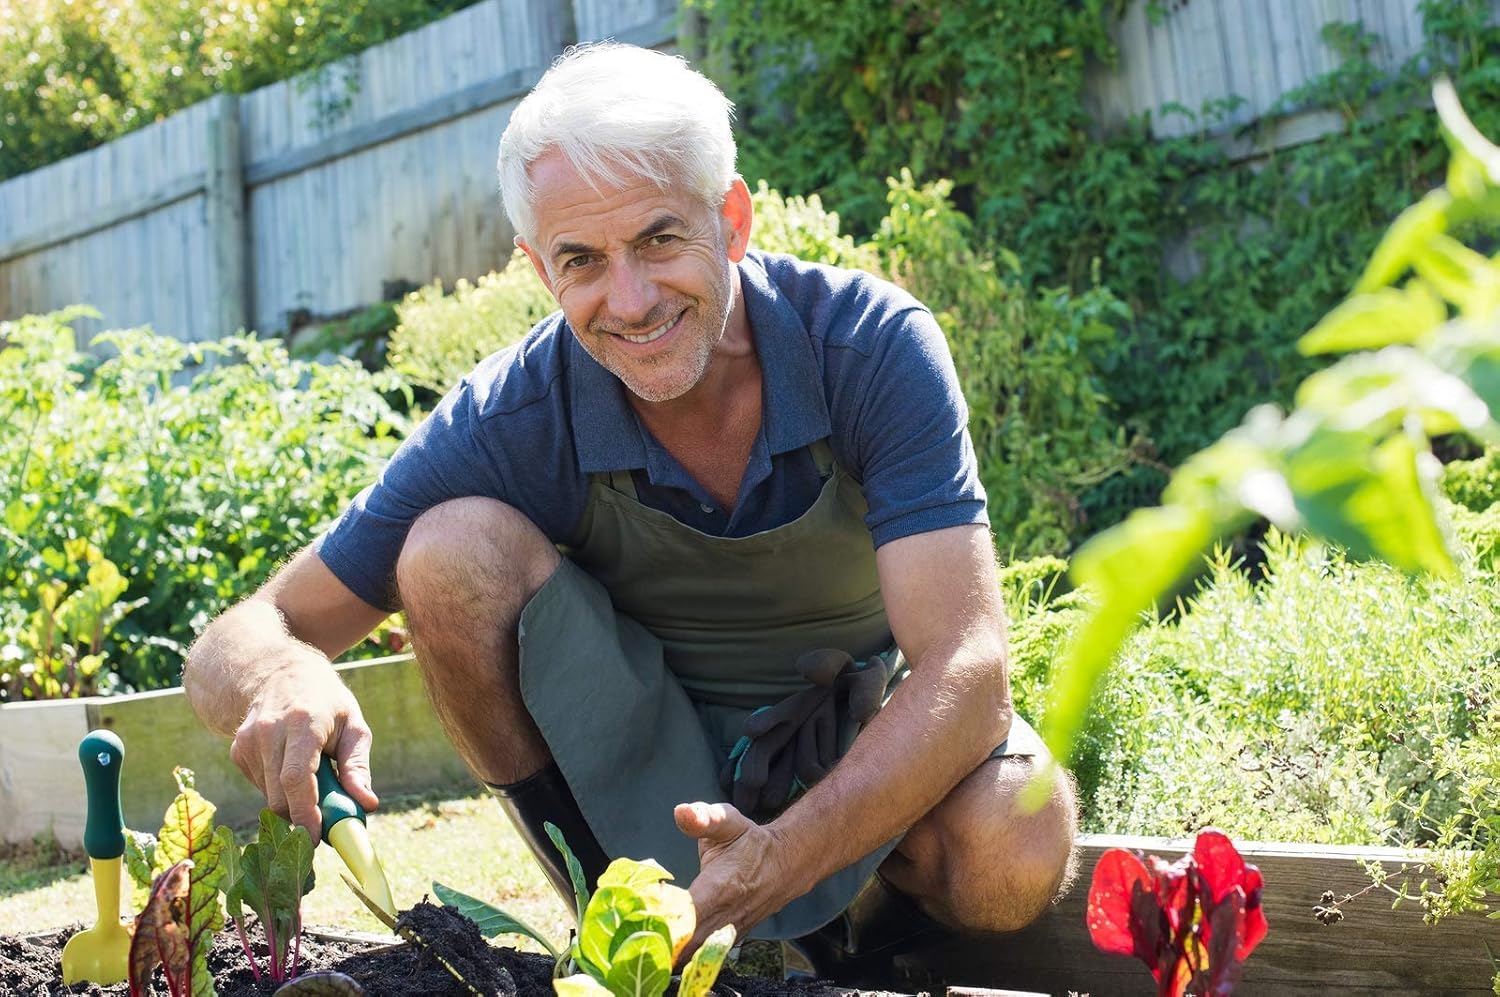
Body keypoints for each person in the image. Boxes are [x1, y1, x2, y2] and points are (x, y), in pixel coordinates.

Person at [182, 41, 1077, 974]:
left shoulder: (868, 346)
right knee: (445, 551)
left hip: (857, 745)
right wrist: (276, 676)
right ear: (540, 269)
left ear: (729, 218)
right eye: (583, 259)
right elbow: (238, 637)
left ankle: (847, 943)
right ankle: (606, 913)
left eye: (658, 237)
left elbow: (968, 673)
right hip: (648, 771)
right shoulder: (518, 415)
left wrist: (784, 856)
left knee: (1017, 843)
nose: (633, 298)